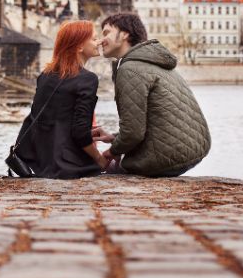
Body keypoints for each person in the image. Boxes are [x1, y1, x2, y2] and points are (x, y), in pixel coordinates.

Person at [94, 13, 211, 177]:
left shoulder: (131, 68)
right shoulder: (152, 62)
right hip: (191, 149)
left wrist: (111, 152)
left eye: (106, 33)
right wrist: (114, 138)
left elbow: (134, 133)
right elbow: (151, 122)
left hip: (165, 156)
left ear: (125, 34)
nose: (101, 39)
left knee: (101, 171)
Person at [12, 20, 108, 179]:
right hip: (70, 166)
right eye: (93, 39)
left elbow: (49, 121)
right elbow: (79, 133)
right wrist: (99, 158)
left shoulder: (45, 76)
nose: (98, 42)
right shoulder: (88, 79)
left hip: (41, 164)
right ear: (79, 47)